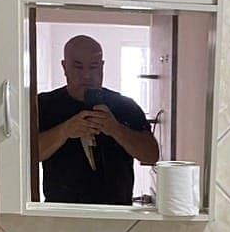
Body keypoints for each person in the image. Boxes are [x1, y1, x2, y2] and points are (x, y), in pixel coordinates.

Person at [37, 34, 158, 204]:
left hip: (116, 212)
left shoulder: (125, 106)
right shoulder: (43, 105)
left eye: (93, 67)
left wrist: (116, 129)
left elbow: (151, 156)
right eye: (78, 67)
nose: (87, 75)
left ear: (102, 66)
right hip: (61, 211)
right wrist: (64, 131)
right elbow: (27, 156)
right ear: (64, 67)